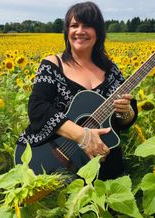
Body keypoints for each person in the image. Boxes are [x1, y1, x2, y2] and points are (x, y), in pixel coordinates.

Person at [16, 1, 138, 180]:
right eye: (74, 25)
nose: (80, 31)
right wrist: (81, 135)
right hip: (52, 154)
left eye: (87, 25)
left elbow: (124, 121)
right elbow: (37, 108)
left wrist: (126, 111)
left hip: (104, 162)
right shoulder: (53, 65)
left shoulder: (111, 70)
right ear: (67, 31)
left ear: (98, 32)